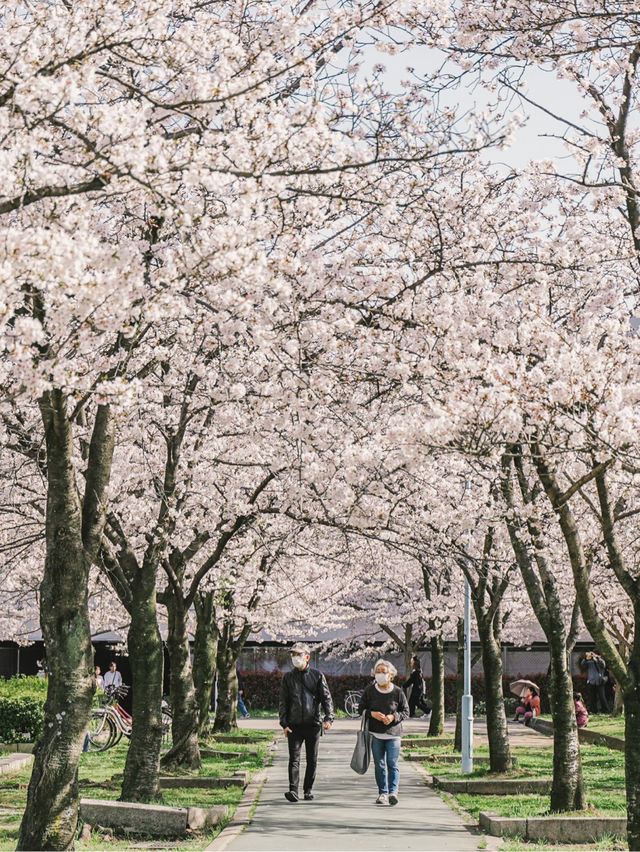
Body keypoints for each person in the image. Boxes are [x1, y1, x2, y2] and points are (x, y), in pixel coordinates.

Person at [279, 643, 334, 803]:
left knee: (312, 759)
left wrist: (329, 718)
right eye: (293, 654)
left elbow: (326, 698)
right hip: (294, 725)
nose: (295, 658)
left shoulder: (317, 675)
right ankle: (293, 790)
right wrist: (284, 723)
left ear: (307, 657)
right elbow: (283, 701)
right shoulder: (288, 677)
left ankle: (308, 790)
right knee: (294, 759)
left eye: (298, 654)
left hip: (313, 724)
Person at [358, 659, 410, 806]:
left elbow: (406, 712)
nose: (380, 675)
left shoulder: (398, 692)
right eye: (378, 672)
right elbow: (360, 709)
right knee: (379, 765)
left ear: (391, 675)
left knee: (392, 763)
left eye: (383, 672)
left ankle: (393, 792)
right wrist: (371, 713)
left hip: (393, 734)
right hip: (375, 734)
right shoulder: (370, 691)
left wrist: (393, 717)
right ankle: (383, 793)